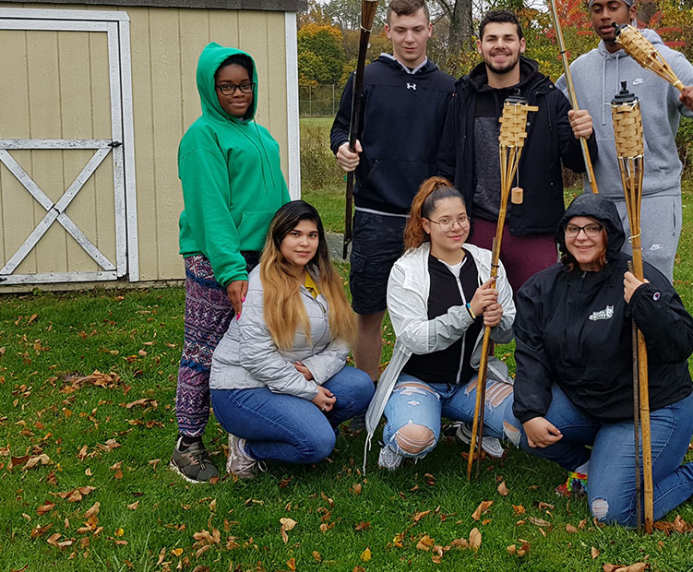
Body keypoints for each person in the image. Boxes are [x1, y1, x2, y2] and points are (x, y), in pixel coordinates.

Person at [512, 194, 693, 527]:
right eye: (573, 228)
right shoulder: (543, 288)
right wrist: (530, 412)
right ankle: (589, 468)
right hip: (588, 403)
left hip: (650, 409)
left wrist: (646, 304)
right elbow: (531, 354)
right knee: (514, 423)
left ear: (609, 233)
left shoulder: (637, 276)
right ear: (562, 235)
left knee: (612, 512)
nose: (582, 237)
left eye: (592, 228)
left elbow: (681, 344)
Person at [172, 43, 291, 483]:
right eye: (227, 87)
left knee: (256, 346)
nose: (238, 93)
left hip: (264, 257)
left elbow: (278, 199)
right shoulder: (203, 136)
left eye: (245, 85)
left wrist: (290, 247)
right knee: (204, 349)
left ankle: (242, 434)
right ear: (210, 88)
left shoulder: (259, 135)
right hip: (218, 259)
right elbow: (210, 210)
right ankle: (188, 442)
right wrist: (230, 271)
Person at [564, 0, 693, 282]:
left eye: (613, 7)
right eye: (597, 9)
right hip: (600, 200)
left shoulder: (665, 61)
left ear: (631, 12)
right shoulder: (577, 70)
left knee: (651, 288)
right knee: (603, 292)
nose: (605, 16)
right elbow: (555, 124)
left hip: (653, 196)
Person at [331, 0, 456, 385]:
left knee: (433, 311)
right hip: (375, 216)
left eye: (417, 29)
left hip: (427, 220)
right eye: (400, 30)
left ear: (430, 30)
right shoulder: (366, 78)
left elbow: (451, 153)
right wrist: (343, 149)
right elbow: (341, 130)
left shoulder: (448, 88)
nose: (409, 38)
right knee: (369, 312)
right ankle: (366, 393)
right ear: (387, 31)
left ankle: (425, 389)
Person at [363, 177, 520, 470]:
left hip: (469, 381)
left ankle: (469, 429)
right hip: (419, 379)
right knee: (415, 439)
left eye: (461, 218)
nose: (456, 227)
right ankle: (396, 438)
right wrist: (468, 312)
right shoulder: (406, 270)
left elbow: (508, 331)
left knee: (526, 421)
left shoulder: (488, 263)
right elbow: (415, 339)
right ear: (426, 225)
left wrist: (498, 322)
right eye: (445, 220)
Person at [210, 201, 374, 478]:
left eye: (312, 235)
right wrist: (310, 392)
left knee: (359, 386)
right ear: (278, 238)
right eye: (295, 234)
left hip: (293, 377)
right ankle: (248, 447)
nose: (304, 243)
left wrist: (314, 371)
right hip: (242, 388)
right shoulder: (260, 284)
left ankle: (299, 424)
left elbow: (342, 339)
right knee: (319, 443)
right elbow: (255, 358)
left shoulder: (322, 277)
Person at [437, 10, 597, 291]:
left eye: (508, 38)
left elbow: (578, 162)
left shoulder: (548, 98)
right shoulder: (462, 96)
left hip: (534, 228)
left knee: (537, 317)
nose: (500, 45)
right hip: (477, 227)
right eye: (492, 38)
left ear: (521, 45)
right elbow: (446, 162)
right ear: (480, 46)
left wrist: (585, 136)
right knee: (481, 319)